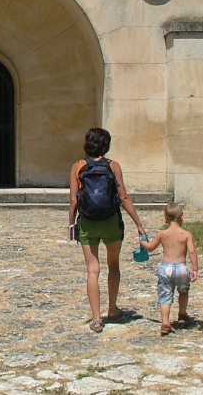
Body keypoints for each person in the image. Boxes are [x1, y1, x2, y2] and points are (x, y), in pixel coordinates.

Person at [68, 127, 147, 333]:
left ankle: (96, 319)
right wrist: (139, 224)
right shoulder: (113, 166)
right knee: (113, 264)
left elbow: (73, 201)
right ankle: (112, 309)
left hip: (87, 222)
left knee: (92, 270)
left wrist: (70, 225)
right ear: (106, 145)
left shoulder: (78, 166)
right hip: (111, 220)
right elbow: (124, 198)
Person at [139, 202, 199, 336]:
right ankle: (182, 313)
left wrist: (142, 243)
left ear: (165, 219)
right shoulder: (186, 234)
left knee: (165, 295)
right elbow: (192, 252)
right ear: (182, 217)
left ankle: (165, 323)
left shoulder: (162, 234)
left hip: (166, 268)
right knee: (183, 291)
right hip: (182, 268)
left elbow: (150, 247)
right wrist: (195, 269)